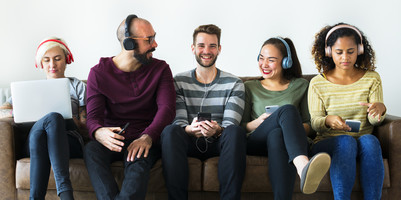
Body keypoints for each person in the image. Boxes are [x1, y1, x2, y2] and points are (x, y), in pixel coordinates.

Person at [83, 14, 176, 200]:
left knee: (138, 162)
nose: (155, 44)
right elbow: (93, 118)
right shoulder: (98, 73)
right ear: (129, 44)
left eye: (154, 37)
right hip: (113, 139)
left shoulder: (161, 69)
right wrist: (99, 132)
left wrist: (147, 137)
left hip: (144, 137)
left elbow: (167, 109)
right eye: (149, 40)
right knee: (91, 150)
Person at [0, 37, 86, 200]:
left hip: (69, 141)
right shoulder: (32, 90)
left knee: (52, 121)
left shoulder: (77, 86)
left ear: (66, 60)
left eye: (57, 59)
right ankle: (65, 193)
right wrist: (20, 112)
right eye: (47, 60)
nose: (52, 65)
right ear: (41, 64)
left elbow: (86, 124)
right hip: (36, 141)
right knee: (42, 129)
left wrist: (68, 118)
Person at [160, 24, 247, 200]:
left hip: (219, 143)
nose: (206, 51)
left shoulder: (234, 83)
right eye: (201, 45)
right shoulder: (178, 81)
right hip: (189, 142)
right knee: (170, 131)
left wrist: (217, 130)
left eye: (212, 46)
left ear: (219, 49)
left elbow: (230, 125)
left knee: (235, 132)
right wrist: (189, 130)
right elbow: (179, 123)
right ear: (193, 48)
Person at [241, 37, 331, 199]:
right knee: (287, 111)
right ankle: (303, 166)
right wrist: (257, 122)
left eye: (271, 60)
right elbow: (240, 126)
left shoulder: (301, 85)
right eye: (261, 58)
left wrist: (287, 126)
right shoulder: (249, 87)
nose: (264, 64)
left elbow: (310, 126)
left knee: (277, 134)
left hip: (285, 141)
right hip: (257, 141)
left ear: (286, 62)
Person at [309, 23, 386, 199]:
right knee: (346, 143)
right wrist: (328, 120)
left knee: (370, 141)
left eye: (350, 51)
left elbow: (374, 121)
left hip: (362, 141)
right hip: (328, 142)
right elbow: (315, 123)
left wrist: (379, 109)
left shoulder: (372, 79)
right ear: (329, 52)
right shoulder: (317, 84)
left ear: (359, 50)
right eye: (339, 52)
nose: (345, 57)